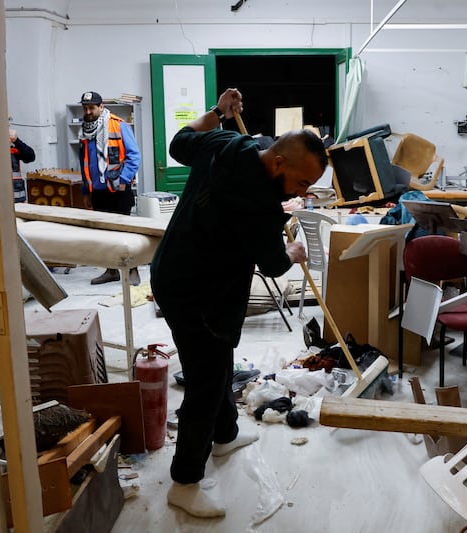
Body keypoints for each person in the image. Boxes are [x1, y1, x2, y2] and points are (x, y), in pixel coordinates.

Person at [150, 88, 327, 518]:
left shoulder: (230, 142)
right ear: (279, 163)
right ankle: (185, 482)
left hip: (175, 269)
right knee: (207, 380)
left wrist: (216, 112)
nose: (303, 192)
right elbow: (272, 264)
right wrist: (296, 253)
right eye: (302, 183)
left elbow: (179, 142)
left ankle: (225, 434)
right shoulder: (260, 204)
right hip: (196, 292)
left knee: (218, 358)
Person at [77, 91, 142, 286]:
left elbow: (134, 156)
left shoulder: (118, 125)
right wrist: (86, 191)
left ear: (101, 107)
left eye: (92, 108)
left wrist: (124, 179)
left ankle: (132, 269)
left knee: (125, 232)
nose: (88, 111)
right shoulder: (85, 130)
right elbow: (84, 163)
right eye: (85, 108)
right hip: (97, 191)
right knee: (105, 234)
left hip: (118, 189)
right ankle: (111, 271)